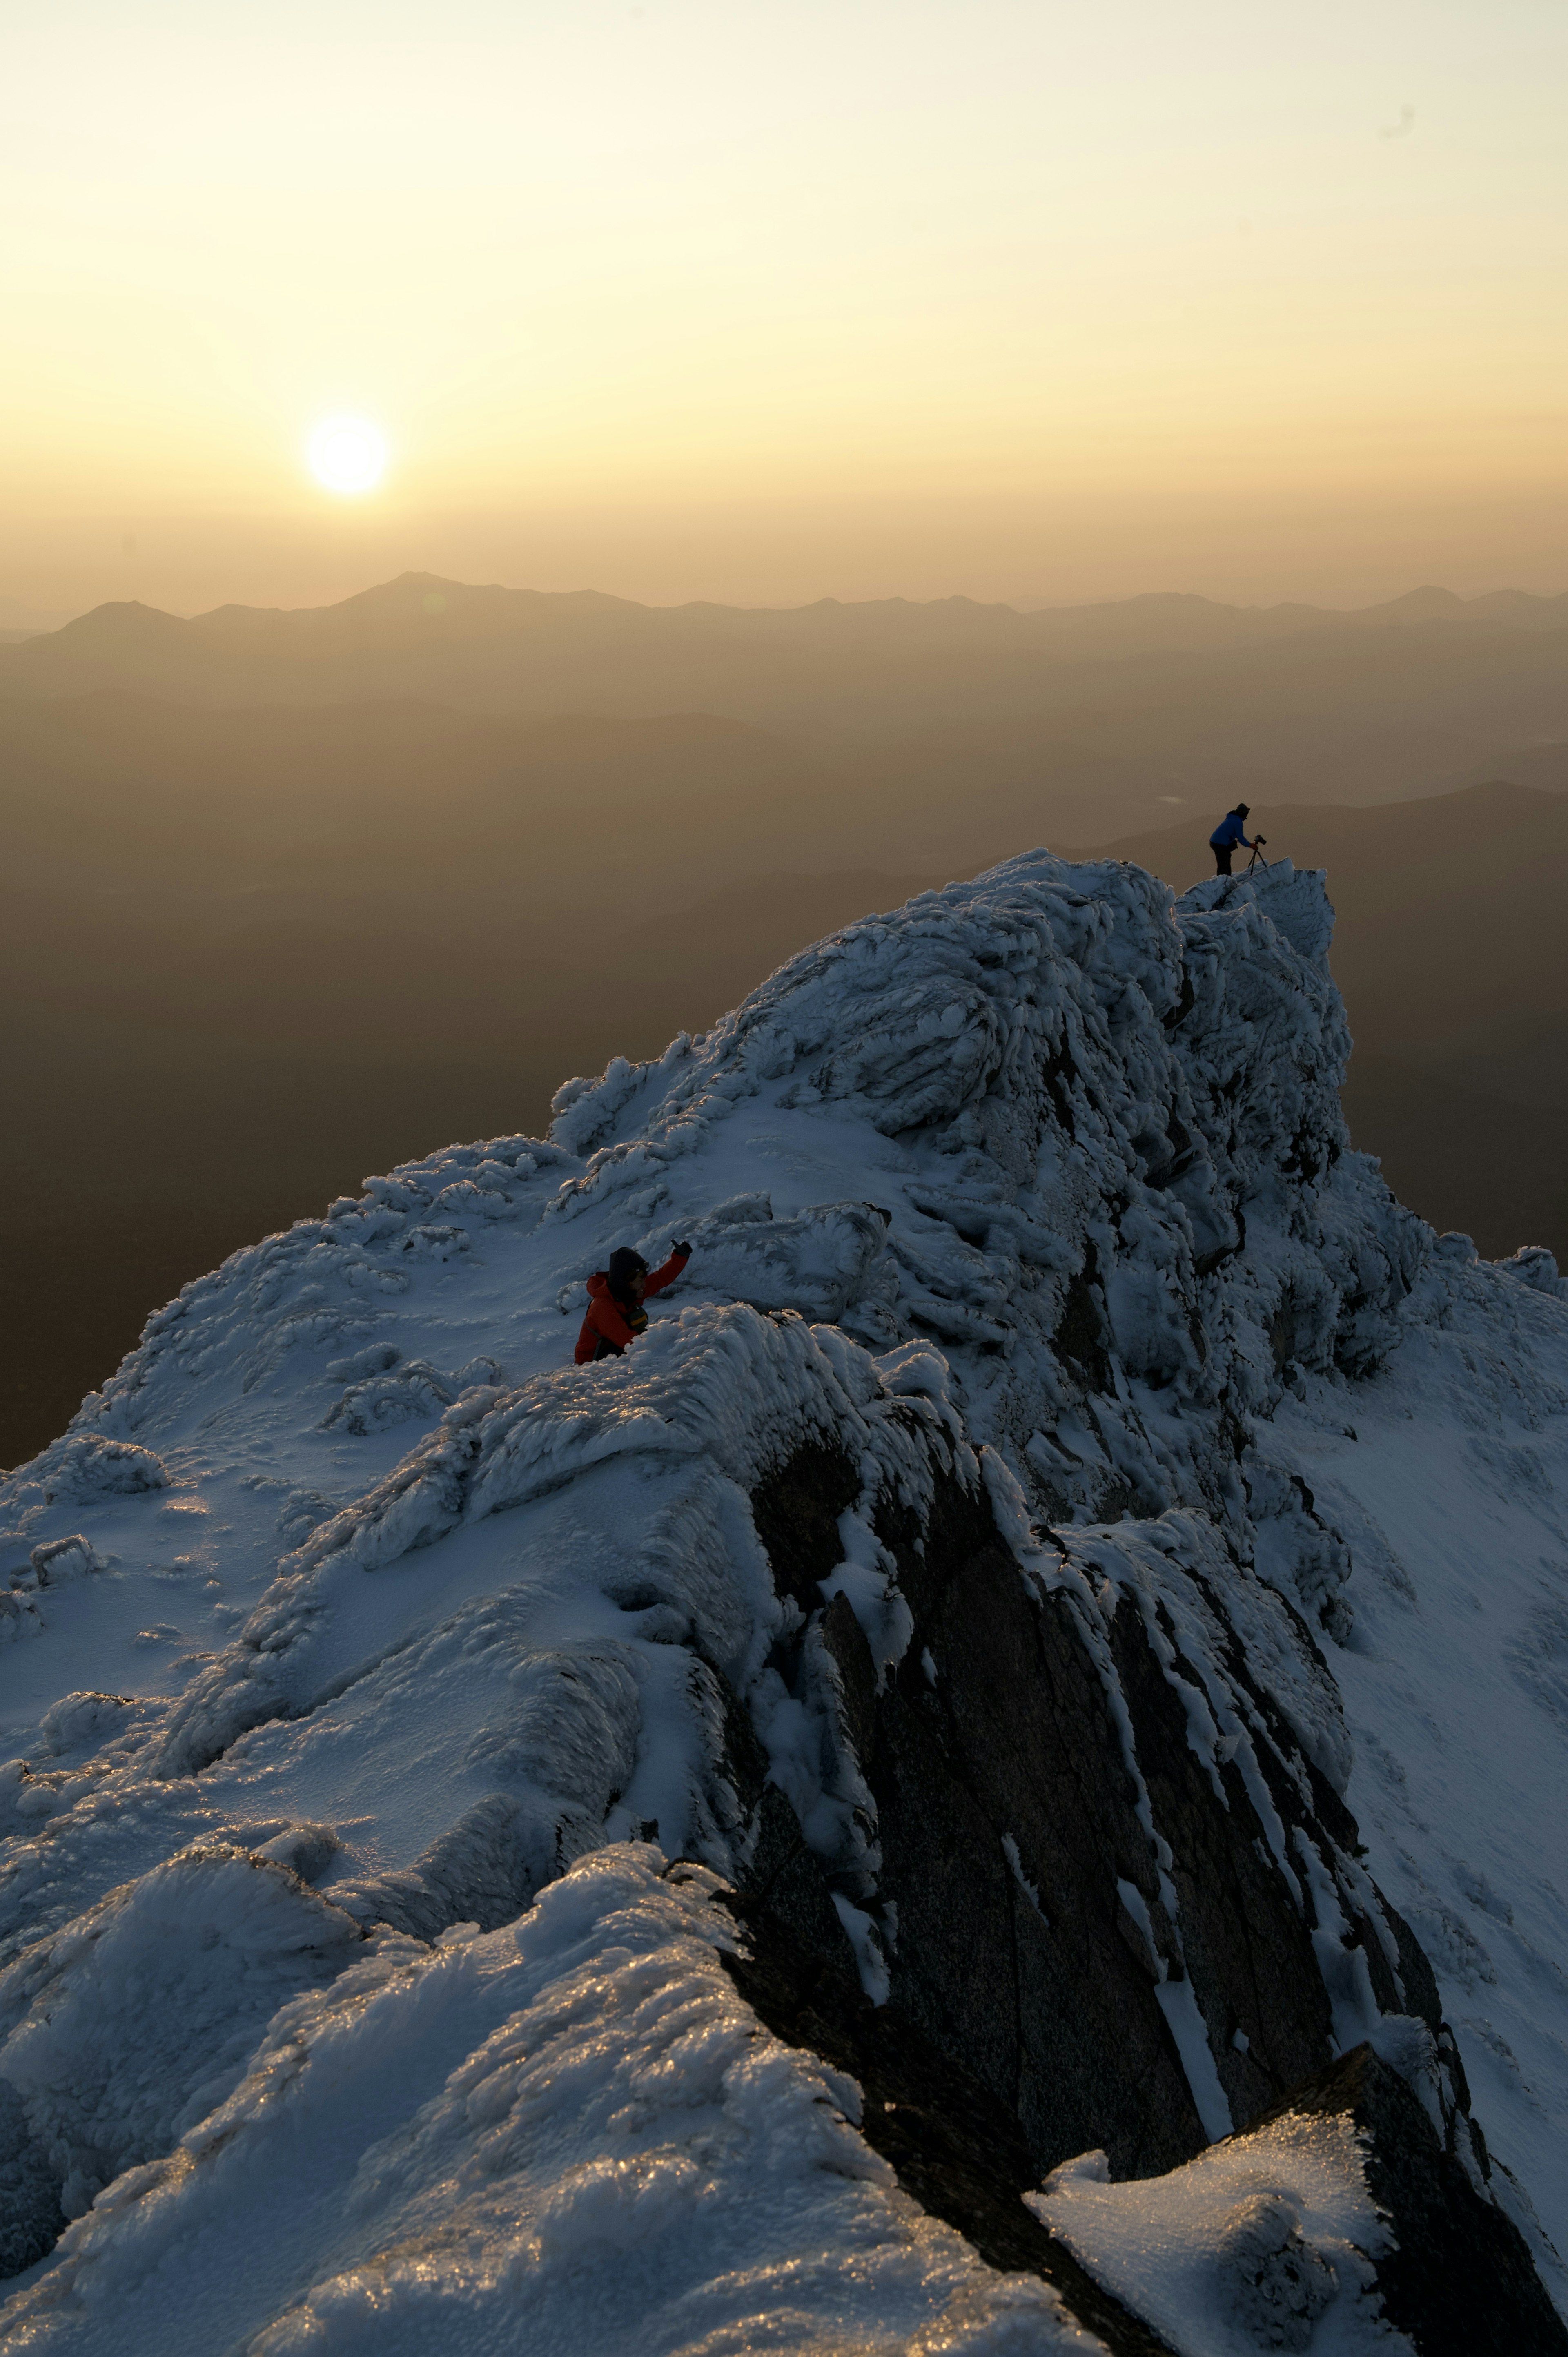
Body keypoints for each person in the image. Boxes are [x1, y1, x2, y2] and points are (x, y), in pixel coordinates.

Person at [575, 1242, 692, 1364]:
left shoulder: (629, 1291)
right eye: (641, 1278)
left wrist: (680, 1257)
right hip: (591, 1363)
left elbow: (660, 1278)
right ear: (627, 1281)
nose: (644, 1284)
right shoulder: (602, 1307)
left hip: (616, 1348)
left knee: (639, 1322)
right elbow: (628, 1342)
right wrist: (664, 1350)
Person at [1208, 803, 1262, 875]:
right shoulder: (1237, 822)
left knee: (1226, 858)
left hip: (1216, 842)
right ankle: (1223, 881)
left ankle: (1226, 878)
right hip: (1219, 844)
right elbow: (1241, 838)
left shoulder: (1233, 818)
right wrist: (1251, 846)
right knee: (1224, 864)